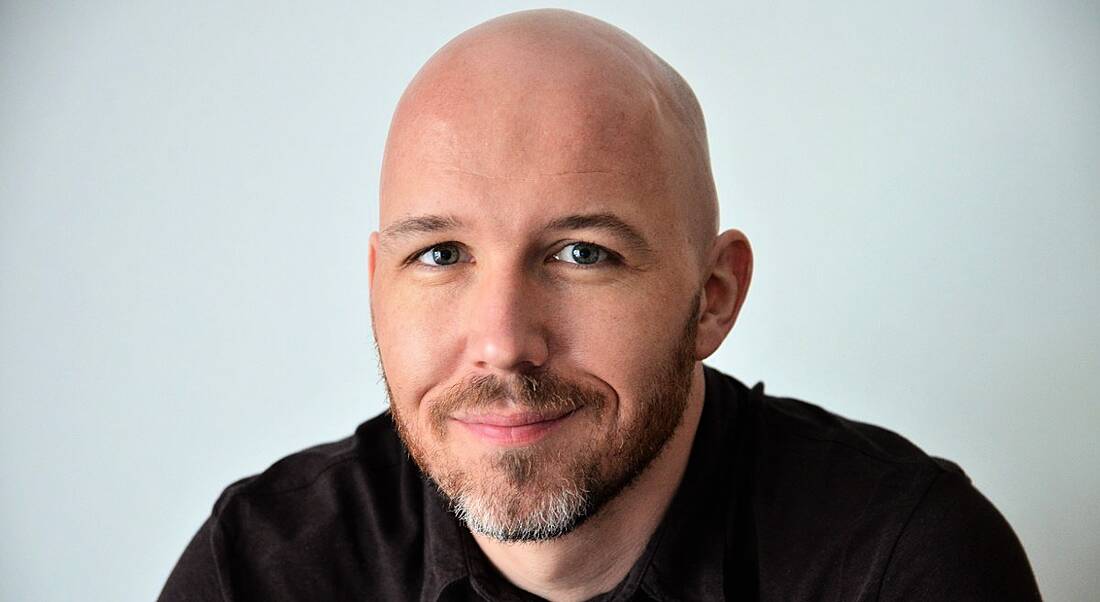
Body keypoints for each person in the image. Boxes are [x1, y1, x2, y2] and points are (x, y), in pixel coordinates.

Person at [159, 9, 1041, 601]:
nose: (503, 342)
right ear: (375, 284)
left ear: (713, 298)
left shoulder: (901, 566)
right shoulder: (261, 572)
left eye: (582, 253)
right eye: (440, 254)